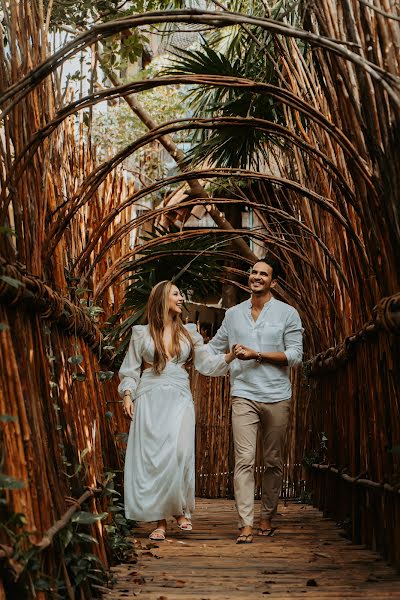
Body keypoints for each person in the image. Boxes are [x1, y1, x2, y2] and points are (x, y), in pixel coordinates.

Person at [118, 280, 235, 541]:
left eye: (181, 294)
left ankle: (180, 509)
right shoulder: (141, 333)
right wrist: (128, 394)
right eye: (176, 294)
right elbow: (130, 369)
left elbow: (205, 363)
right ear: (162, 299)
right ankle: (160, 521)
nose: (181, 298)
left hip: (180, 397)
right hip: (149, 397)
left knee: (179, 452)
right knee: (156, 458)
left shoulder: (189, 333)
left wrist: (228, 357)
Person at [206, 255, 303, 544]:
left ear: (273, 282)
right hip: (244, 393)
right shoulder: (233, 314)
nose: (256, 277)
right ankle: (245, 522)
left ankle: (266, 517)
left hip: (276, 395)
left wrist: (256, 354)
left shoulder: (288, 314)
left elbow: (295, 356)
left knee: (273, 460)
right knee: (244, 459)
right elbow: (213, 348)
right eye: (254, 272)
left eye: (263, 274)